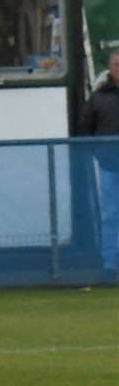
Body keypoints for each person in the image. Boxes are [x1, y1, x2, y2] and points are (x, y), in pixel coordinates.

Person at [77, 51, 119, 274]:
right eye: (116, 64)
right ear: (110, 68)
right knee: (111, 216)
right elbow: (85, 129)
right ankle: (110, 263)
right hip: (110, 166)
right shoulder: (98, 98)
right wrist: (99, 152)